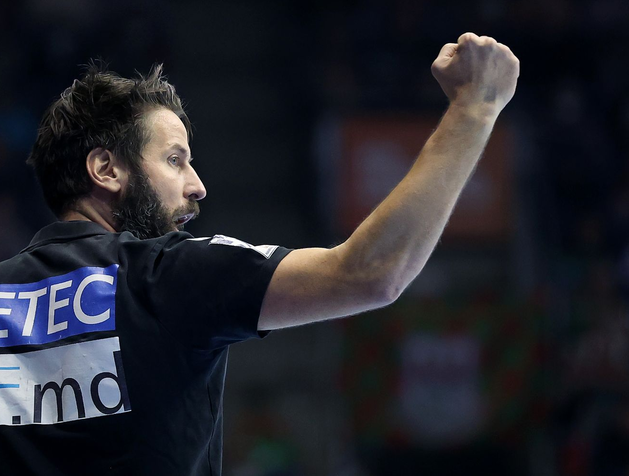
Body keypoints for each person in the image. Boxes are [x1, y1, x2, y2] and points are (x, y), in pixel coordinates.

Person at [0, 32, 519, 475]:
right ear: (107, 170)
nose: (198, 186)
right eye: (175, 160)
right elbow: (370, 272)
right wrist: (474, 109)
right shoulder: (166, 273)